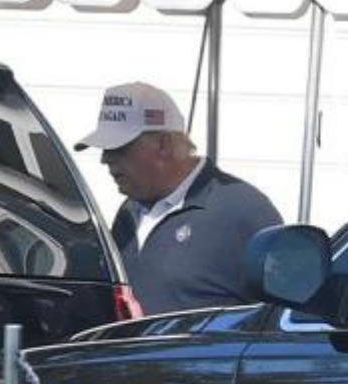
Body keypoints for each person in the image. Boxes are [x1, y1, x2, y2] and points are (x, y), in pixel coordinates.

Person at [75, 81, 283, 315]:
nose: (105, 159)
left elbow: (284, 314)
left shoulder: (242, 211)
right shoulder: (129, 212)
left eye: (119, 148)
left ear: (164, 145)